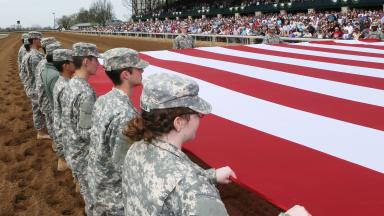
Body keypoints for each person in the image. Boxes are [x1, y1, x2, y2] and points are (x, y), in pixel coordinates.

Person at [122, 73, 312, 216]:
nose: (200, 119)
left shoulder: (136, 149)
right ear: (179, 122)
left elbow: (163, 182)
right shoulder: (196, 190)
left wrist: (209, 175)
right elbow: (183, 186)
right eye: (198, 114)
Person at [87, 48, 149, 215]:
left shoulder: (104, 99)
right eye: (138, 68)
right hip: (114, 198)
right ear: (125, 75)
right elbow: (128, 166)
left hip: (98, 185)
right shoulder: (126, 115)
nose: (142, 71)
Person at [61, 42, 100, 211]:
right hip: (83, 154)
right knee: (94, 201)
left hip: (72, 148)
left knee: (86, 193)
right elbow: (87, 132)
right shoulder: (85, 92)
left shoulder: (70, 84)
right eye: (95, 59)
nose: (98, 63)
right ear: (86, 61)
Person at [20, 31, 50, 140]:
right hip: (35, 88)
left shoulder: (34, 54)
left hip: (33, 87)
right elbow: (38, 76)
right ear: (34, 40)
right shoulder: (34, 57)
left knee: (38, 109)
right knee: (39, 109)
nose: (41, 41)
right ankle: (41, 132)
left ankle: (41, 130)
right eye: (39, 39)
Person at [52, 49, 75, 172]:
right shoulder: (67, 87)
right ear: (65, 66)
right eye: (73, 61)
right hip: (65, 133)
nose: (75, 63)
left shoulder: (61, 82)